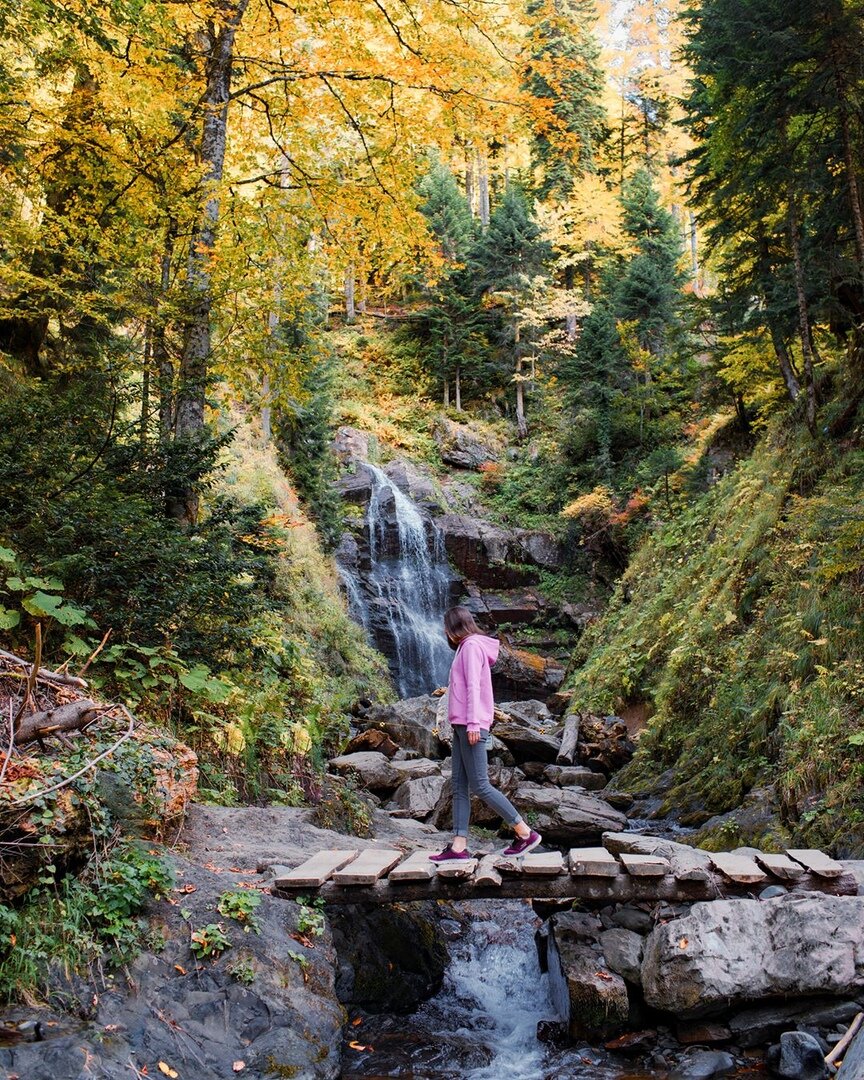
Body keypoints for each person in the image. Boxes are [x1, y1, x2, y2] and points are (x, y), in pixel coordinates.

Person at [430, 606, 542, 862]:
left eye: (447, 626)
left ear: (454, 626)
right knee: (458, 785)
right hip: (461, 725)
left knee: (480, 785)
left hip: (471, 725)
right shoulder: (466, 646)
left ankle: (525, 833)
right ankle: (459, 846)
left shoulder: (470, 647)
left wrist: (472, 724)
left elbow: (473, 687)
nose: (445, 632)